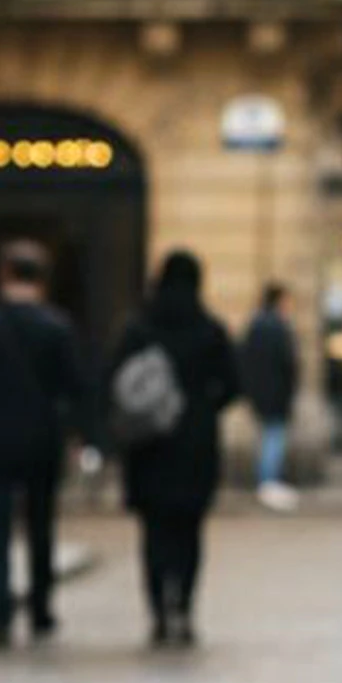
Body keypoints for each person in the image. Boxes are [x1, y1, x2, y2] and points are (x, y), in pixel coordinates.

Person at [0, 240, 89, 648]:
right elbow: (74, 385)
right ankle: (41, 609)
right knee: (41, 529)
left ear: (4, 275)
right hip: (41, 440)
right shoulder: (57, 326)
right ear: (41, 280)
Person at [109, 250, 239, 646]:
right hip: (195, 444)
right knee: (189, 531)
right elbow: (233, 383)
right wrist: (204, 406)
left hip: (149, 445)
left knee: (153, 532)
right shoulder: (210, 329)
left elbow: (116, 382)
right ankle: (182, 604)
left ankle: (157, 611)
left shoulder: (138, 328)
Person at [240, 281, 300, 511]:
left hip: (261, 394)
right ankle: (268, 484)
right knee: (273, 439)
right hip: (275, 394)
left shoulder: (256, 324)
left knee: (268, 438)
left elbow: (245, 359)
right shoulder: (277, 326)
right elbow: (287, 364)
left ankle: (267, 483)